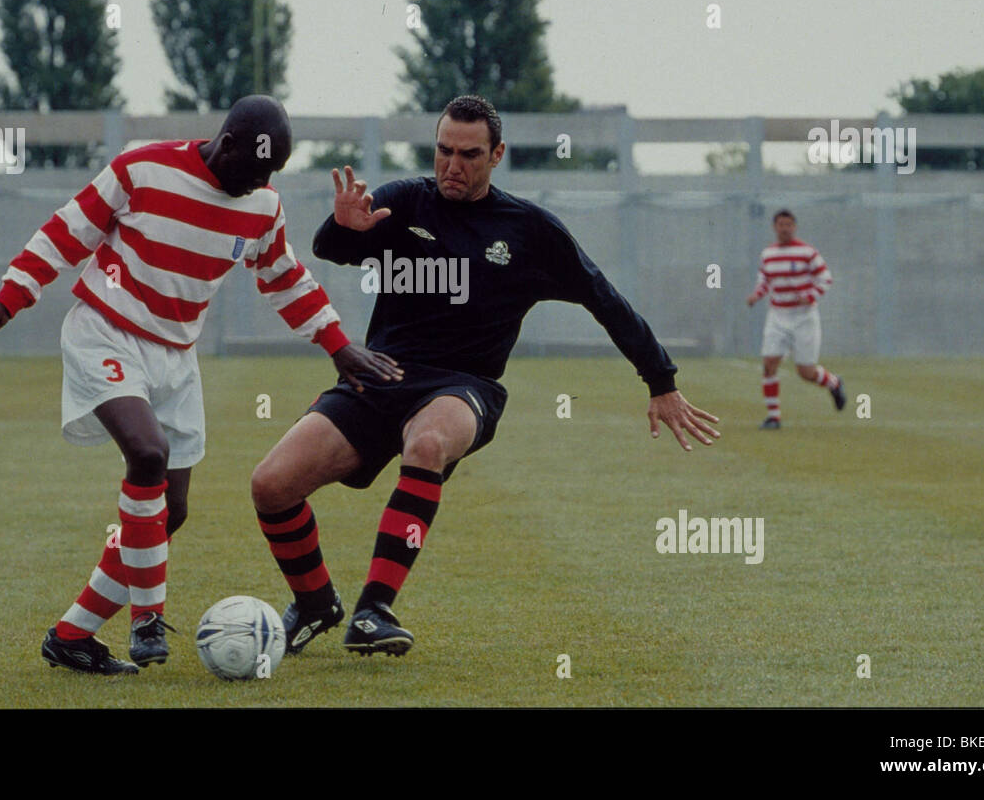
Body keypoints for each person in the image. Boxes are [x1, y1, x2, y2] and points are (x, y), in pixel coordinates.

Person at [0, 96, 401, 675]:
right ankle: (146, 617)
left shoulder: (261, 203)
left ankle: (72, 635)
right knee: (148, 454)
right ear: (226, 142)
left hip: (175, 359)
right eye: (253, 168)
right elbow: (66, 233)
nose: (259, 182)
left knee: (172, 511)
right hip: (104, 334)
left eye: (271, 173)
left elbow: (283, 276)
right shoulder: (143, 170)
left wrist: (339, 346)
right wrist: (6, 304)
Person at [249, 95, 720, 657]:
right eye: (444, 150)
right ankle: (315, 602)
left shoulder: (529, 231)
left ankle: (374, 610)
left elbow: (604, 298)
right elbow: (334, 249)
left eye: (469, 154)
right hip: (380, 375)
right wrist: (341, 227)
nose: (453, 164)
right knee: (271, 485)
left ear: (496, 154)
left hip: (463, 385)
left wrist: (660, 380)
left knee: (426, 443)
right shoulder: (404, 201)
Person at [745, 209, 845, 428]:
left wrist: (809, 296)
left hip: (804, 317)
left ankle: (834, 383)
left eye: (789, 224)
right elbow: (765, 281)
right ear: (775, 227)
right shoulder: (768, 254)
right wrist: (755, 296)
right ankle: (774, 417)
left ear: (794, 227)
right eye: (781, 225)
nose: (785, 228)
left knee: (805, 371)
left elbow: (826, 279)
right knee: (770, 362)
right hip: (778, 315)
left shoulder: (807, 252)